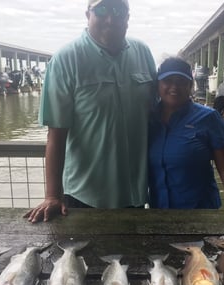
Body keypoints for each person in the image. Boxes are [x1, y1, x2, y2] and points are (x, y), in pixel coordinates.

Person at [25, 0, 156, 223]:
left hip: (135, 193)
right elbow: (55, 135)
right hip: (84, 197)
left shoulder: (143, 52)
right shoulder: (66, 59)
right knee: (82, 256)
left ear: (127, 17)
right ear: (88, 14)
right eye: (102, 9)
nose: (110, 19)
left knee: (134, 256)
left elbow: (157, 114)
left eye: (118, 10)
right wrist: (52, 196)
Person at [148, 57, 224, 210]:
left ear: (190, 86)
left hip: (200, 211)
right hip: (158, 211)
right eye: (167, 80)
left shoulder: (208, 118)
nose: (174, 87)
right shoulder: (148, 118)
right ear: (158, 85)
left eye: (181, 81)